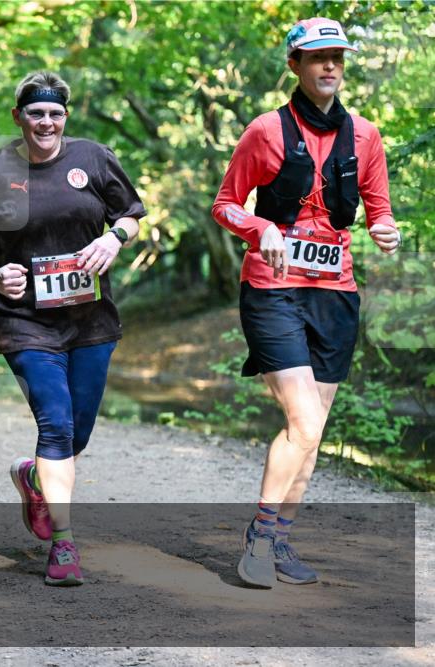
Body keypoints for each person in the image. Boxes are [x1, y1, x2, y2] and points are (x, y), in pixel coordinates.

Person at [211, 18, 401, 589]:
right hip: (273, 289)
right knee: (304, 420)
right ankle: (262, 536)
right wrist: (258, 228)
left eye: (338, 57)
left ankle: (281, 540)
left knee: (313, 430)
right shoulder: (265, 132)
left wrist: (386, 229)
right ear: (294, 65)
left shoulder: (365, 137)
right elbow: (225, 204)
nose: (330, 66)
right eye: (318, 57)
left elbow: (378, 209)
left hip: (335, 293)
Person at [0, 71, 145, 586]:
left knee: (75, 433)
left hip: (90, 320)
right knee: (55, 425)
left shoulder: (94, 159)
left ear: (66, 117)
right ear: (19, 117)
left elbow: (131, 213)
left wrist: (115, 239)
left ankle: (35, 475)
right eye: (36, 112)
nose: (46, 121)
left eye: (55, 112)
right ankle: (64, 545)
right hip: (25, 319)